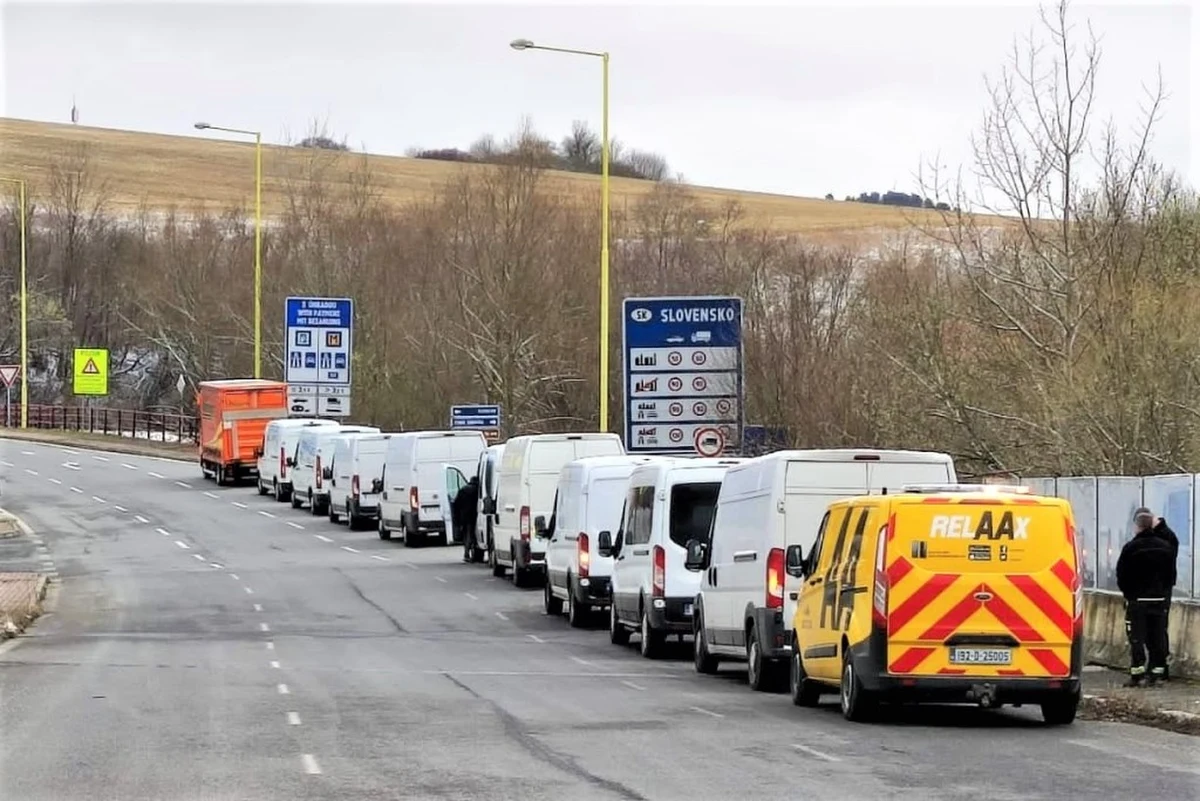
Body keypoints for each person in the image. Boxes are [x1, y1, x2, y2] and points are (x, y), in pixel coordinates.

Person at [1115, 508, 1175, 686]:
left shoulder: (1131, 548)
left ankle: (1137, 674)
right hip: (1159, 601)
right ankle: (1156, 673)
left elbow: (1122, 574)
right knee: (1157, 637)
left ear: (1137, 527)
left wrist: (1129, 594)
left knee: (1136, 638)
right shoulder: (1166, 547)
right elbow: (1171, 576)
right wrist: (1162, 593)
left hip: (1138, 601)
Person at [453, 475, 480, 562]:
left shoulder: (463, 490)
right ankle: (470, 553)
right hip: (474, 515)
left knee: (466, 535)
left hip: (464, 516)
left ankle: (467, 553)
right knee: (472, 534)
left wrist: (456, 519)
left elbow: (456, 505)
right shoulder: (477, 490)